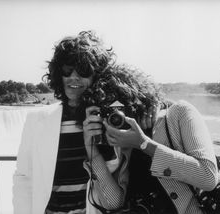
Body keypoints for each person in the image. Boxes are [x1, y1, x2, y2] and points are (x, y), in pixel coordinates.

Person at [12, 31, 154, 214]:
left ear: (97, 77)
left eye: (84, 71)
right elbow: (24, 177)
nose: (74, 77)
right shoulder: (37, 120)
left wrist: (153, 106)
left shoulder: (110, 121)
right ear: (58, 74)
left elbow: (114, 200)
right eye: (67, 70)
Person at [97, 65, 219, 214]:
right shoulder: (121, 141)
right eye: (110, 110)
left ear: (137, 98)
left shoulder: (179, 113)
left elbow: (208, 177)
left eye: (121, 107)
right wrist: (92, 153)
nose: (116, 116)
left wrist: (144, 144)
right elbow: (113, 202)